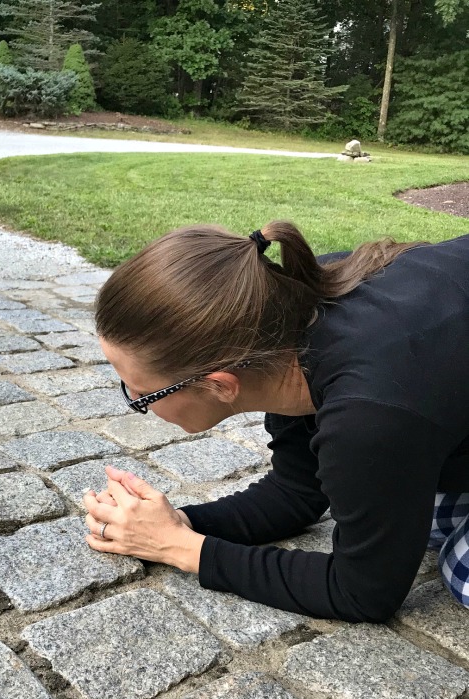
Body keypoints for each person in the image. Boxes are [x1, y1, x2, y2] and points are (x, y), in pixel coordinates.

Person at [82, 222, 469, 624]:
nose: (132, 397)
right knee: (397, 515)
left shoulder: (368, 414)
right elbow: (299, 491)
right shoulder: (280, 317)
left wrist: (179, 549)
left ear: (220, 386)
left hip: (400, 402)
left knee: (459, 572)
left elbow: (362, 592)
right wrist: (180, 524)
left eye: (142, 394)